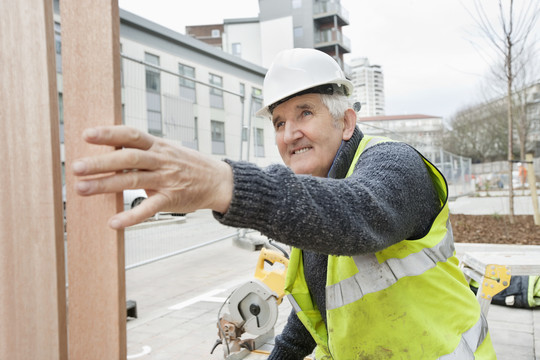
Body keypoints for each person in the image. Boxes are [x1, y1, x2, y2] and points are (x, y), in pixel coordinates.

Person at [73, 48, 496, 359]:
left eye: (305, 113)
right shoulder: (317, 191)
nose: (289, 133)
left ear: (346, 121)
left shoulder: (394, 164)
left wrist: (223, 183)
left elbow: (356, 214)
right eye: (279, 122)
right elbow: (316, 315)